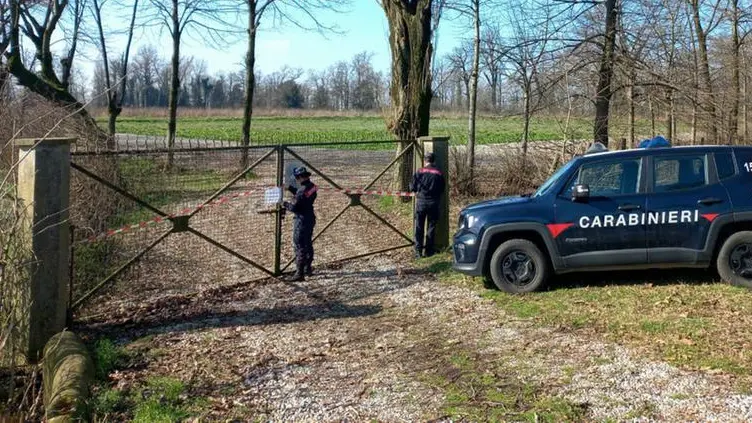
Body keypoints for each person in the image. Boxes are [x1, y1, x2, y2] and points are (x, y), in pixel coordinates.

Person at [283, 167, 318, 281]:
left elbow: (295, 207)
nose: (297, 180)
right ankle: (308, 268)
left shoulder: (301, 191)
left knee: (299, 245)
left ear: (299, 177)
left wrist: (284, 203)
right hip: (310, 217)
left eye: (297, 178)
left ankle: (299, 273)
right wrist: (290, 188)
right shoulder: (312, 186)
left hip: (301, 220)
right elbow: (303, 196)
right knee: (308, 243)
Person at [409, 152, 445, 259]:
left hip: (421, 202)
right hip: (433, 202)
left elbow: (412, 187)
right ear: (433, 161)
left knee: (419, 226)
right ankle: (429, 251)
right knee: (431, 227)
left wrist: (416, 190)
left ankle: (418, 251)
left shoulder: (419, 172)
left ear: (425, 161)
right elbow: (442, 189)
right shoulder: (439, 173)